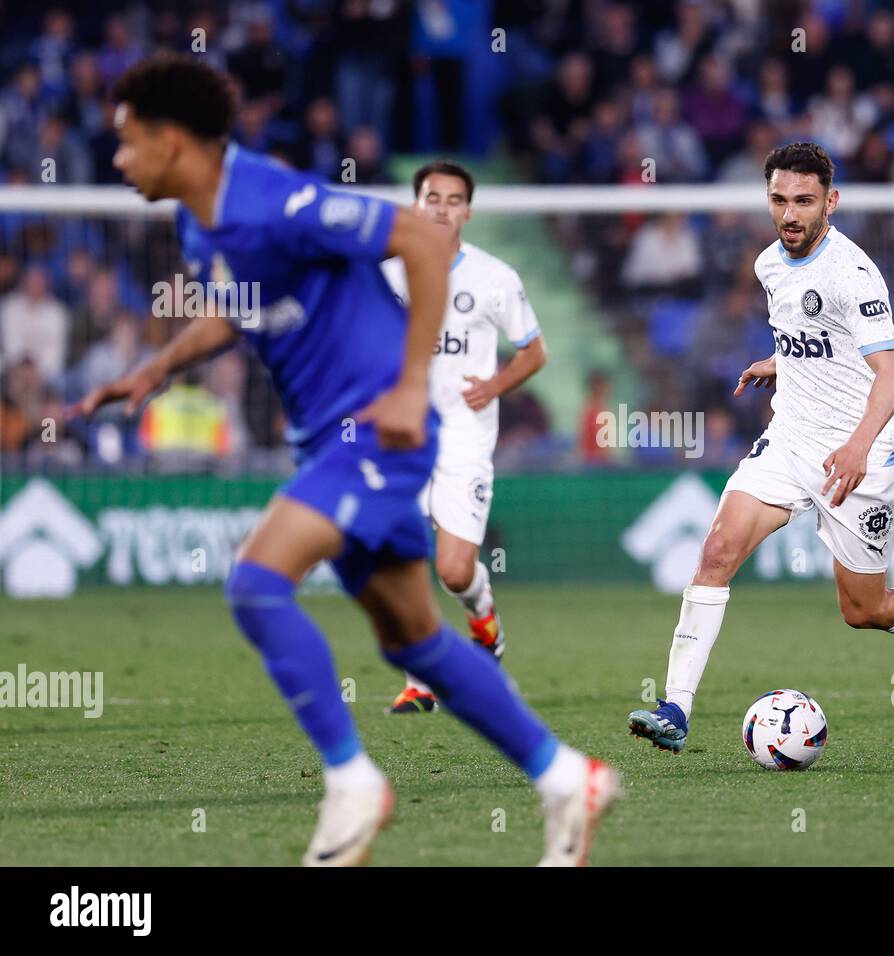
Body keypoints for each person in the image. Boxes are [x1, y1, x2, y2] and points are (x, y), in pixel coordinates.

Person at [73, 54, 618, 866]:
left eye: (127, 142)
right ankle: (568, 778)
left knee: (257, 583)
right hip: (327, 437)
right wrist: (156, 369)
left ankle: (352, 783)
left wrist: (407, 387)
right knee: (414, 641)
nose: (116, 161)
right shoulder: (197, 220)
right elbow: (235, 311)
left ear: (174, 140)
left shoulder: (276, 200)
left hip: (376, 432)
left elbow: (424, 245)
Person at [627, 143, 894, 753]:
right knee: (717, 549)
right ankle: (676, 709)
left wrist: (856, 447)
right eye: (779, 200)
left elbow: (893, 376)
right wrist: (780, 362)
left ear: (831, 200)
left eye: (804, 201)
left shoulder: (852, 273)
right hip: (790, 439)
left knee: (864, 609)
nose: (790, 214)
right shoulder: (769, 264)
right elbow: (816, 339)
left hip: (859, 460)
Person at [379, 160, 548, 714]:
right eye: (433, 197)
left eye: (454, 199)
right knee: (402, 556)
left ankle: (484, 620)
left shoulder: (494, 278)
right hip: (403, 432)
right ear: (417, 204)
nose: (443, 207)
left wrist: (495, 385)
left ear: (468, 212)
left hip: (464, 435)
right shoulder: (389, 274)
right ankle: (419, 679)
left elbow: (534, 351)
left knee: (453, 570)